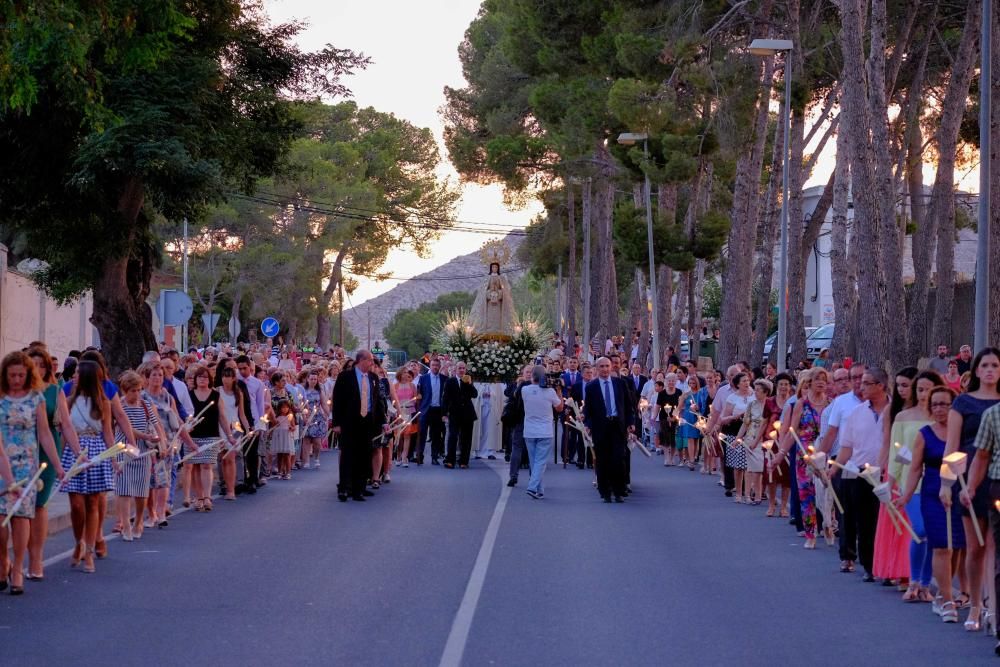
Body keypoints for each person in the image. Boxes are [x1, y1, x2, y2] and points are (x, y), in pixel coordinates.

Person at [942, 346, 1000, 629]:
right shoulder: (963, 403)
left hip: (997, 479)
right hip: (969, 480)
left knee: (994, 546)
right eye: (985, 365)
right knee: (974, 547)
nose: (990, 370)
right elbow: (951, 448)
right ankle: (975, 606)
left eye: (995, 365)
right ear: (976, 370)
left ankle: (992, 606)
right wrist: (946, 484)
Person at [0, 352, 64, 593]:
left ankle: (17, 568)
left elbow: (45, 433)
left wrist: (57, 465)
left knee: (21, 518)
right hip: (2, 464)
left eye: (21, 375)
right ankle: (2, 561)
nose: (16, 379)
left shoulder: (35, 398)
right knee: (0, 521)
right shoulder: (0, 398)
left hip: (27, 466)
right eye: (12, 375)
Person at [899, 386, 964, 622]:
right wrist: (906, 495)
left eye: (944, 404)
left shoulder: (961, 432)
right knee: (940, 545)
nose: (939, 409)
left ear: (953, 406)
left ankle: (943, 594)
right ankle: (946, 599)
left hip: (959, 490)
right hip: (932, 493)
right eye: (935, 404)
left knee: (956, 545)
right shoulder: (924, 434)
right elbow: (915, 468)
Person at [25, 344, 80, 581]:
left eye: (42, 365)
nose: (37, 369)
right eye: (33, 365)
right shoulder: (13, 390)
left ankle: (35, 558)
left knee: (39, 505)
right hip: (17, 451)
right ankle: (13, 558)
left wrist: (78, 452)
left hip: (46, 453)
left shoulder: (53, 391)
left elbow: (65, 425)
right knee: (14, 507)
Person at [890, 373, 943, 604]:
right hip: (911, 484)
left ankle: (925, 583)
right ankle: (913, 580)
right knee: (919, 530)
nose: (923, 395)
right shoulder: (903, 416)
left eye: (927, 389)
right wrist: (891, 481)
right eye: (919, 389)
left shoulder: (943, 418)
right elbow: (897, 453)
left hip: (937, 482)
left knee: (933, 534)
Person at [60, 360, 115, 574]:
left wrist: (113, 459)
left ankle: (90, 551)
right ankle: (78, 541)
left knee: (93, 502)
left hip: (96, 450)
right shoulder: (68, 401)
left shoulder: (103, 402)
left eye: (77, 373)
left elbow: (108, 432)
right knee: (76, 505)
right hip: (74, 452)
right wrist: (60, 460)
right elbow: (65, 430)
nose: (73, 376)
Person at [836, 368, 890, 581]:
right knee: (865, 522)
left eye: (867, 383)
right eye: (861, 382)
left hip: (888, 473)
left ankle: (889, 567)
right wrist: (834, 467)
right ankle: (870, 566)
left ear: (881, 385)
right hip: (861, 473)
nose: (861, 386)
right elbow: (847, 447)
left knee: (885, 522)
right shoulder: (857, 413)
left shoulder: (896, 411)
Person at [871, 366, 919, 585]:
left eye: (906, 385)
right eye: (898, 385)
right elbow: (888, 443)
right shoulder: (893, 411)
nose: (901, 389)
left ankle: (911, 571)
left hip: (920, 470)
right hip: (897, 467)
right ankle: (895, 569)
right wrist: (882, 469)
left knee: (914, 523)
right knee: (896, 521)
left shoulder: (926, 411)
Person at [774, 368, 829, 549]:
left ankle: (828, 523)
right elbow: (792, 432)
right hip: (803, 455)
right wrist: (781, 454)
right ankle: (810, 533)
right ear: (809, 383)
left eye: (824, 379)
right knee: (806, 494)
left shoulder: (831, 404)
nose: (820, 382)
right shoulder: (801, 404)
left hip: (824, 453)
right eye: (817, 379)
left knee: (826, 493)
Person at [332, 350, 389, 502]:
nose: (372, 363)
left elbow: (377, 403)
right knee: (348, 455)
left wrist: (383, 421)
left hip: (367, 421)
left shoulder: (373, 378)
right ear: (361, 360)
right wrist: (336, 423)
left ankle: (359, 489)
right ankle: (344, 488)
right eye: (370, 360)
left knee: (364, 456)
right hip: (349, 421)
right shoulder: (345, 377)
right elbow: (337, 400)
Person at [114, 371, 164, 541]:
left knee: (142, 491)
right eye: (132, 391)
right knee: (124, 489)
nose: (136, 394)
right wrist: (145, 436)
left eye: (138, 390)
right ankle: (126, 525)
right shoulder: (119, 405)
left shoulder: (145, 405)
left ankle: (139, 521)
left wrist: (161, 443)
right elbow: (124, 426)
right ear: (125, 390)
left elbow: (157, 425)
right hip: (124, 449)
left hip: (143, 451)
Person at [583, 357, 635, 503]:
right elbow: (588, 409)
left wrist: (631, 422)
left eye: (607, 366)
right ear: (597, 368)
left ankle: (618, 491)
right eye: (602, 366)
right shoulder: (591, 387)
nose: (605, 369)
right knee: (602, 460)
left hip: (617, 426)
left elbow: (628, 405)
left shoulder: (620, 383)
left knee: (618, 459)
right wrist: (588, 424)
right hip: (600, 427)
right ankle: (605, 491)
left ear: (611, 367)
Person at [520, 365, 563, 498]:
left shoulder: (525, 389)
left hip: (529, 431)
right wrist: (559, 391)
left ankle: (540, 490)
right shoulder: (550, 392)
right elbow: (559, 408)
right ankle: (532, 487)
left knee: (534, 461)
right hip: (545, 431)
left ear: (532, 376)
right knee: (540, 462)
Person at [718, 372, 754, 501]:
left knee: (749, 465)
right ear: (738, 384)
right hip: (735, 430)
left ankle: (748, 492)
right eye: (743, 381)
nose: (746, 383)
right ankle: (738, 491)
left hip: (751, 432)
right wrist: (735, 416)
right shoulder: (732, 398)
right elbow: (723, 418)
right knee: (738, 464)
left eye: (747, 380)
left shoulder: (754, 396)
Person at [736, 379, 771, 505]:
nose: (755, 392)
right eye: (754, 390)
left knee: (760, 468)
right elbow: (745, 424)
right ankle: (747, 495)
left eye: (758, 390)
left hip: (765, 440)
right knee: (751, 468)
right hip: (751, 438)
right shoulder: (751, 405)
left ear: (765, 392)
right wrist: (738, 438)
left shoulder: (770, 405)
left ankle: (758, 494)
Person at [443, 361, 478, 469]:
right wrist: (444, 414)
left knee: (466, 438)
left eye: (463, 368)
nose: (462, 370)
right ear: (455, 370)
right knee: (452, 437)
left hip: (467, 414)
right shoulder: (450, 381)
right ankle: (450, 460)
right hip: (454, 413)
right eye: (460, 368)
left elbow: (475, 394)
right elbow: (445, 398)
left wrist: (469, 384)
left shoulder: (467, 381)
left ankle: (464, 461)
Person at [505, 365, 533, 486]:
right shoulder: (519, 385)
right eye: (527, 372)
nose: (529, 374)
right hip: (521, 421)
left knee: (529, 450)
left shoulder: (534, 386)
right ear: (523, 373)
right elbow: (511, 398)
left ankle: (531, 476)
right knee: (517, 448)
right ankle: (513, 476)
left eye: (531, 372)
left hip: (531, 422)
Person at [416, 357, 446, 465]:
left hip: (438, 410)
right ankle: (420, 456)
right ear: (430, 366)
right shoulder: (423, 378)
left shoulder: (444, 379)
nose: (435, 367)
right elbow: (419, 394)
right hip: (425, 410)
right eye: (433, 365)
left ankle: (434, 457)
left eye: (437, 365)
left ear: (439, 366)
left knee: (436, 435)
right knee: (422, 433)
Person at [301, 371, 329, 470]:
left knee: (317, 441)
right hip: (306, 415)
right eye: (311, 379)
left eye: (315, 379)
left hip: (317, 417)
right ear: (307, 379)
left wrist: (327, 414)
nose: (313, 381)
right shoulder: (303, 390)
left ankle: (316, 458)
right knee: (306, 440)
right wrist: (304, 416)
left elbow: (324, 404)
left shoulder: (319, 391)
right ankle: (306, 460)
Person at [393, 369, 420, 467]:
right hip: (399, 412)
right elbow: (393, 400)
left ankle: (405, 457)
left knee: (407, 435)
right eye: (404, 372)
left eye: (407, 373)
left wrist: (418, 397)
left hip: (410, 411)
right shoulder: (395, 386)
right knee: (399, 435)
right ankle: (398, 456)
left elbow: (416, 398)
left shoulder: (412, 385)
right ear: (400, 374)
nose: (406, 374)